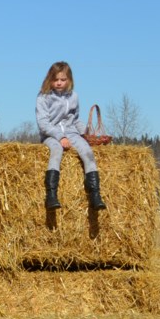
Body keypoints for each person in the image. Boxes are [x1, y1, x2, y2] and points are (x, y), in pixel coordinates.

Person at [36, 61, 106, 210]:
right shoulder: (43, 97)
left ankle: (95, 195)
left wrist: (87, 133)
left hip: (71, 132)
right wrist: (60, 137)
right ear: (50, 79)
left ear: (69, 80)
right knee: (56, 150)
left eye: (63, 80)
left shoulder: (73, 96)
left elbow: (74, 119)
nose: (59, 83)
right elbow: (43, 123)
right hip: (51, 134)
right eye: (56, 80)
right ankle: (51, 195)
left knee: (87, 152)